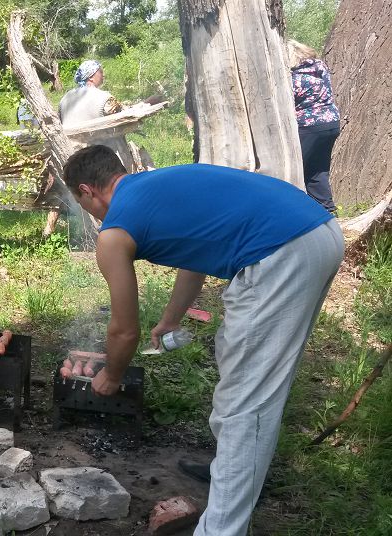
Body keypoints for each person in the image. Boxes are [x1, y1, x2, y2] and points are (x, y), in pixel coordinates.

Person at [62, 145, 343, 536]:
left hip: (281, 250)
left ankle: (221, 526)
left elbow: (124, 330)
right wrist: (171, 319)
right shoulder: (154, 186)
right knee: (238, 367)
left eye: (82, 204)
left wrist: (111, 375)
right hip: (316, 229)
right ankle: (233, 471)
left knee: (247, 404)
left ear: (87, 190)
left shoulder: (114, 233)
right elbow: (195, 252)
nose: (90, 214)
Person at [44, 59, 126, 237]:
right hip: (94, 158)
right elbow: (124, 115)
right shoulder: (104, 98)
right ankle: (111, 229)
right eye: (100, 71)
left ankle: (50, 231)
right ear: (92, 76)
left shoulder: (66, 98)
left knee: (69, 191)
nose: (103, 74)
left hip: (68, 155)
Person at [288, 40, 340, 212]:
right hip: (331, 122)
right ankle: (326, 210)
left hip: (309, 125)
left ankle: (297, 212)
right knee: (318, 170)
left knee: (296, 168)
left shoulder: (293, 78)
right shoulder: (320, 68)